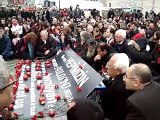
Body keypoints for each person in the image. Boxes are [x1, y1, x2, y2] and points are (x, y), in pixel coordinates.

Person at [101, 53, 133, 120]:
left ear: (118, 71)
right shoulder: (124, 78)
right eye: (107, 63)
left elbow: (119, 113)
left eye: (109, 65)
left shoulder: (119, 88)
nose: (106, 66)